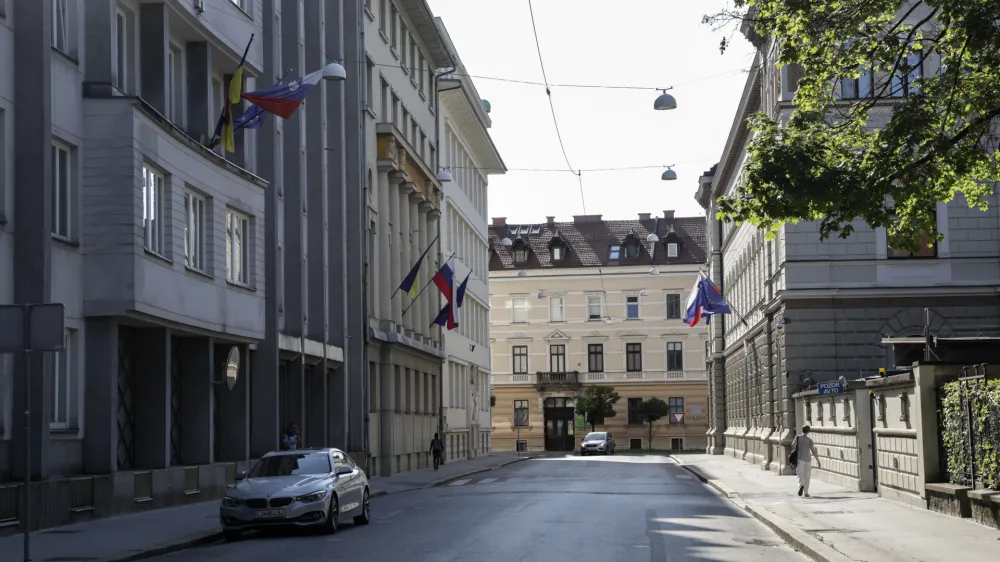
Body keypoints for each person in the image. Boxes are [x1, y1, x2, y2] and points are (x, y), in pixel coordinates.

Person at [791, 425, 821, 497]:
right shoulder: (810, 440)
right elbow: (813, 451)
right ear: (808, 431)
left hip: (800, 459)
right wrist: (818, 460)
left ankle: (801, 485)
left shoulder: (797, 437)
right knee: (807, 476)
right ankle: (806, 492)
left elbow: (793, 446)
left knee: (800, 474)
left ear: (802, 430)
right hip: (808, 459)